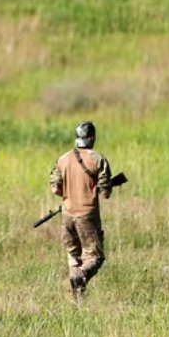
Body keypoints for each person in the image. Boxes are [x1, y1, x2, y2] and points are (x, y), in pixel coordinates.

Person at [49, 121, 112, 301]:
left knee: (74, 257)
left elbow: (56, 189)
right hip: (87, 215)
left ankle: (76, 300)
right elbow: (105, 193)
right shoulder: (98, 160)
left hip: (67, 215)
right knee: (95, 257)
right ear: (92, 138)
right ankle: (77, 279)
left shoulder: (62, 159)